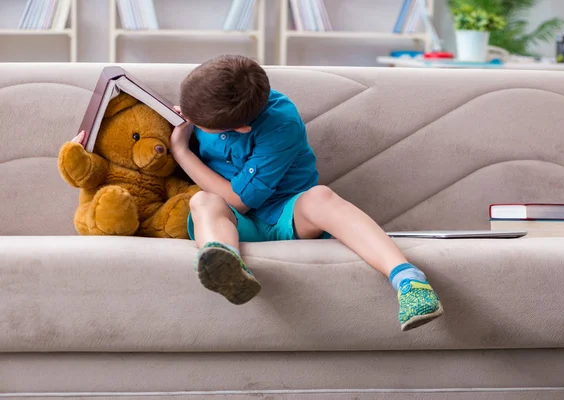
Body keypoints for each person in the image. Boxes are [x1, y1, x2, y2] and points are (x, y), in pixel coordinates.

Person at [169, 55, 443, 331]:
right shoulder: (207, 109)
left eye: (199, 124)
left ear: (241, 128)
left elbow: (238, 201)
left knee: (320, 197)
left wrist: (180, 151)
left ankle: (408, 278)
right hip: (237, 226)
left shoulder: (280, 122)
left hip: (287, 216)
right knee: (203, 201)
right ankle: (226, 264)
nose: (189, 120)